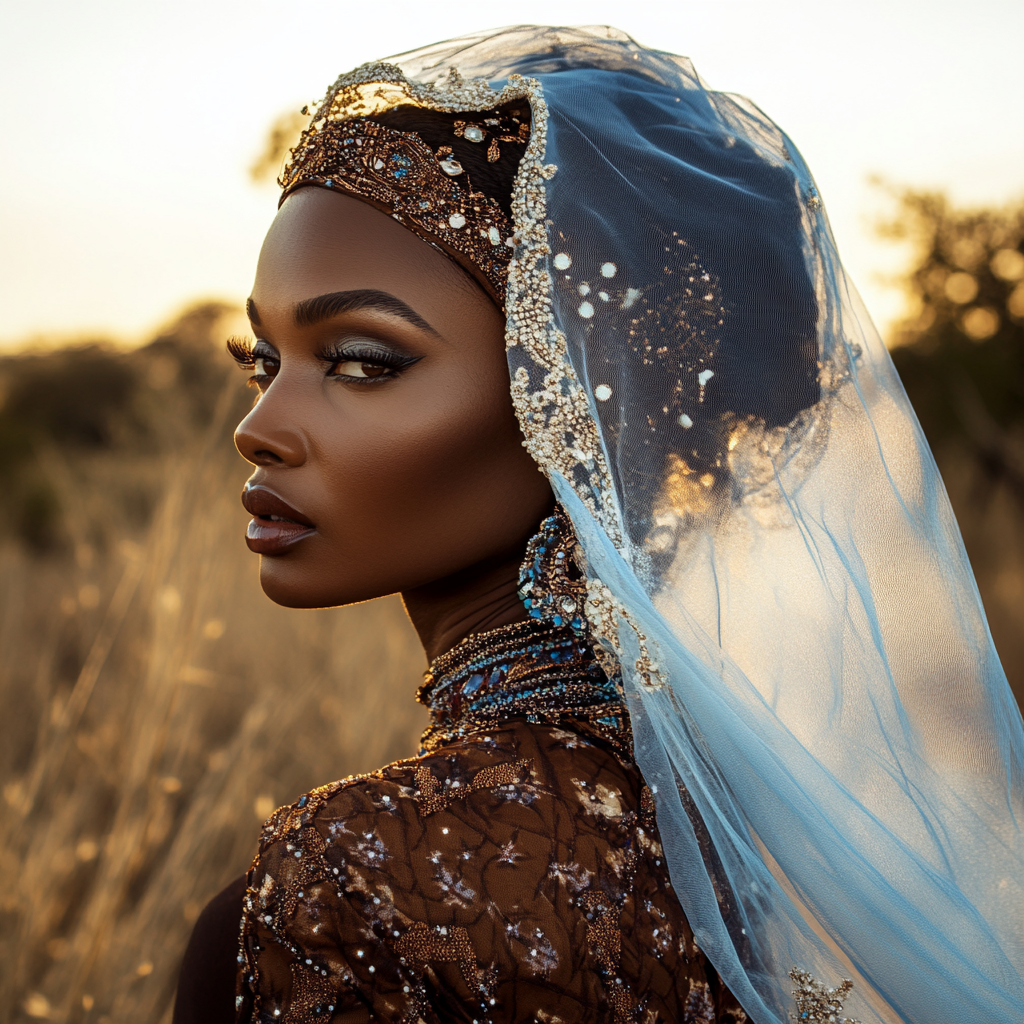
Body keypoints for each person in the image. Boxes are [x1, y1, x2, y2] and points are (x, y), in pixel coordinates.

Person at [174, 26, 1024, 1024]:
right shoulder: (793, 846)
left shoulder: (347, 887)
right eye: (261, 360)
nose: (259, 429)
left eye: (363, 360)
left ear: (583, 402)